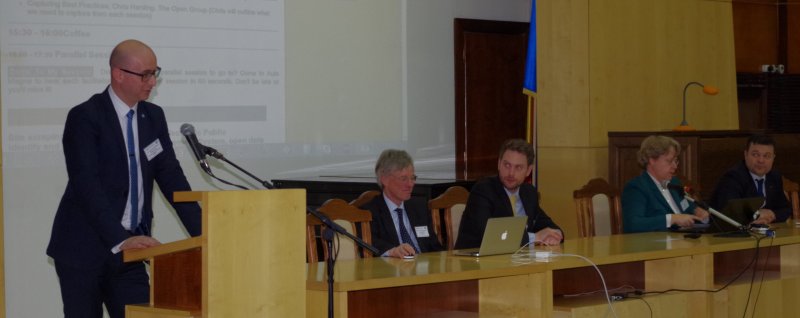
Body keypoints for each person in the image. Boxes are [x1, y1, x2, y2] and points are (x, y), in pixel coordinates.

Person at [46, 39, 202, 318]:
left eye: (155, 73)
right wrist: (121, 239)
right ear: (118, 74)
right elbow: (86, 186)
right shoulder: (85, 117)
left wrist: (205, 234)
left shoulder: (153, 116)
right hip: (84, 250)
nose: (152, 82)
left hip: (132, 252)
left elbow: (171, 178)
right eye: (146, 74)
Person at [454, 139, 562, 249]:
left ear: (528, 170)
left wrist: (554, 234)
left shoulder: (529, 193)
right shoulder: (483, 190)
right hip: (476, 261)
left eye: (518, 167)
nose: (511, 173)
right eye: (507, 165)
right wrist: (536, 237)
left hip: (517, 261)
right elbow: (491, 236)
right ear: (499, 164)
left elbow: (546, 223)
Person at [362, 149, 444, 258]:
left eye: (412, 178)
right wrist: (392, 251)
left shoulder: (419, 208)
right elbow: (371, 243)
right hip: (394, 270)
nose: (410, 184)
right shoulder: (369, 212)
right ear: (384, 180)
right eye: (403, 178)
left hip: (425, 267)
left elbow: (434, 247)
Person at [621, 135, 709, 233]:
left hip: (686, 241)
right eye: (669, 161)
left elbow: (686, 206)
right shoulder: (637, 187)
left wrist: (697, 211)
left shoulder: (674, 183)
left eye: (676, 161)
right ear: (652, 160)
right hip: (657, 245)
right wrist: (672, 219)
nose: (675, 166)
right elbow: (633, 224)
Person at [710, 134, 791, 224]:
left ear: (773, 158)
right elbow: (731, 213)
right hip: (729, 234)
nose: (761, 160)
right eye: (755, 155)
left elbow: (785, 209)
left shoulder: (774, 176)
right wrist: (757, 215)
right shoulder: (733, 177)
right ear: (745, 155)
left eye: (767, 156)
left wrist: (772, 214)